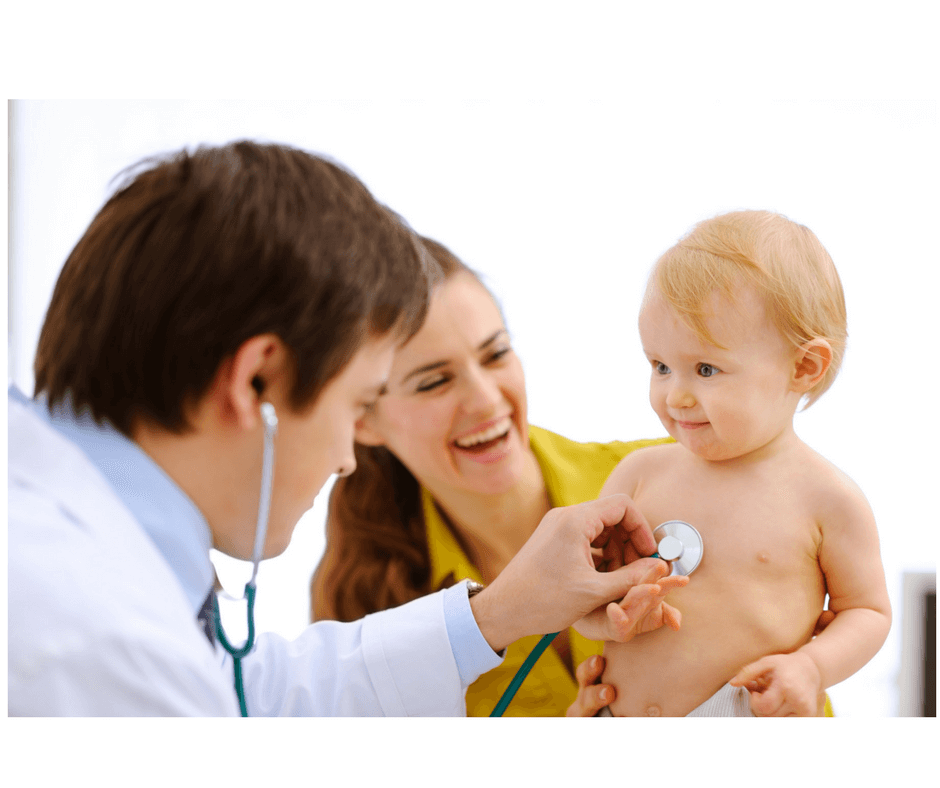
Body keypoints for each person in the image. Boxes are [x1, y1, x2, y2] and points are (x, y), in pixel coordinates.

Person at [7, 140, 680, 717]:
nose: (345, 459)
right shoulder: (86, 638)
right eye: (357, 405)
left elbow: (255, 698)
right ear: (254, 385)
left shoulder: (94, 575)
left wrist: (494, 616)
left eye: (495, 352)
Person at [311, 237, 688, 716]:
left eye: (495, 355)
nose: (487, 399)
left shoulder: (679, 474)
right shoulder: (366, 611)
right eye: (434, 382)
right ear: (362, 418)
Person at [596, 210, 892, 716]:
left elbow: (866, 612)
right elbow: (584, 597)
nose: (676, 395)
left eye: (705, 369)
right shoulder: (638, 476)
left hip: (741, 718)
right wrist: (609, 621)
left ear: (803, 367)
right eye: (660, 366)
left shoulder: (826, 499)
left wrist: (813, 667)